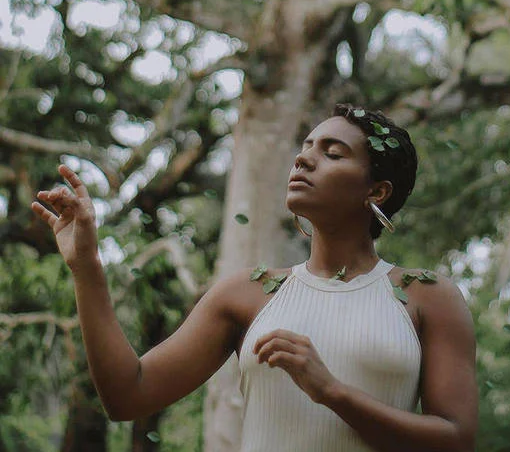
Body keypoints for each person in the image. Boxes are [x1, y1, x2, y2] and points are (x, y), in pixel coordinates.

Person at [32, 103, 477, 452]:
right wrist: (87, 268)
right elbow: (127, 395)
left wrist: (332, 392)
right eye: (306, 147)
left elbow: (455, 440)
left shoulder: (427, 296)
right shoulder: (245, 293)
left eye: (332, 153)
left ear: (376, 191)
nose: (304, 159)